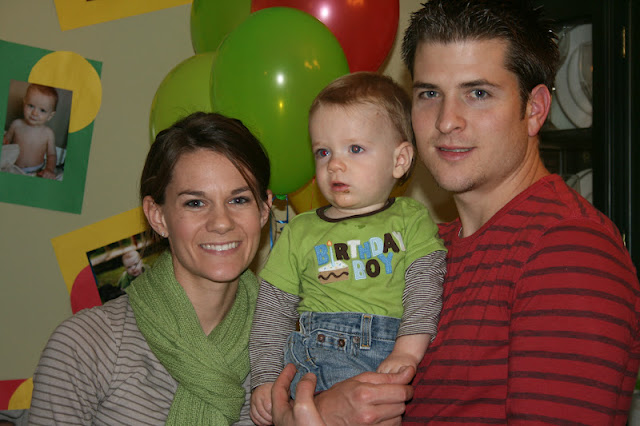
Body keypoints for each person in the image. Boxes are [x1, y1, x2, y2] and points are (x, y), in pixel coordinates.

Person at [271, 0, 640, 425]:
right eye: (429, 94)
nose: (447, 121)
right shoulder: (425, 245)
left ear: (534, 109)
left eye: (478, 93)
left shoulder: (569, 250)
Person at [28, 112, 273, 425]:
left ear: (264, 209)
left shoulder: (292, 351)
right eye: (195, 203)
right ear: (158, 216)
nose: (222, 222)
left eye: (239, 200)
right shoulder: (85, 346)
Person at [249, 72, 447, 425]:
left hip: (386, 355)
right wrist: (264, 378)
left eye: (355, 149)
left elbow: (424, 288)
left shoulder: (411, 219)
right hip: (311, 361)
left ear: (399, 160)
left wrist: (408, 350)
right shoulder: (301, 230)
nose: (334, 164)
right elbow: (272, 311)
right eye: (323, 152)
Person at [2, 83, 57, 179]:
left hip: (36, 171)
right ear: (24, 102)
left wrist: (49, 169)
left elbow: (51, 155)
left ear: (50, 115)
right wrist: (4, 141)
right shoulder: (16, 124)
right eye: (31, 106)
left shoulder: (48, 133)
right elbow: (6, 140)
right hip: (13, 166)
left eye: (42, 110)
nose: (34, 113)